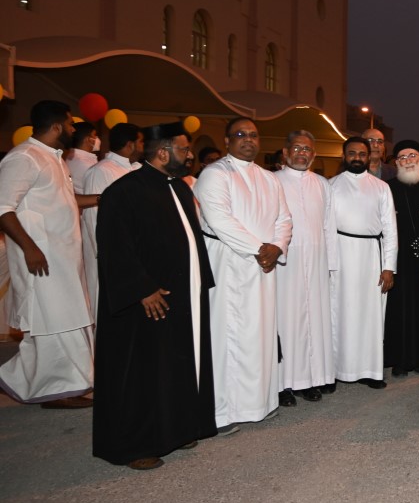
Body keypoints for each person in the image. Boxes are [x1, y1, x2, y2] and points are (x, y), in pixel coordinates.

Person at [93, 122, 217, 470]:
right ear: (163, 153)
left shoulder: (179, 187)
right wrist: (141, 289)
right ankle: (136, 445)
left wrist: (200, 281)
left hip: (181, 295)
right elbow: (114, 247)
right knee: (142, 372)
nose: (189, 155)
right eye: (184, 149)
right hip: (145, 301)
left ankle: (178, 429)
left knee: (175, 365)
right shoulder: (124, 191)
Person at [195, 117, 292, 432]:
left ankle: (259, 402)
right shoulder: (214, 174)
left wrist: (277, 246)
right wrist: (260, 249)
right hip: (228, 261)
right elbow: (219, 220)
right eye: (240, 134)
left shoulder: (269, 177)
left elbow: (284, 218)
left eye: (253, 135)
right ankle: (222, 411)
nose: (248, 139)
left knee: (259, 333)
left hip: (263, 266)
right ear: (227, 141)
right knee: (227, 335)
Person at [0, 100, 95, 408]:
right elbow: (2, 207)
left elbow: (67, 200)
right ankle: (60, 391)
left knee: (66, 320)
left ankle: (59, 385)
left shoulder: (54, 158)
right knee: (52, 322)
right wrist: (30, 248)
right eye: (70, 124)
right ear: (56, 126)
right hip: (40, 258)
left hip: (62, 258)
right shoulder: (24, 157)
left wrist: (104, 197)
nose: (73, 129)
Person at [274, 130, 337, 405]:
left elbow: (329, 225)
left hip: (317, 261)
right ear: (286, 152)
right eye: (297, 148)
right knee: (286, 322)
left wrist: (331, 265)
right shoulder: (273, 181)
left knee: (315, 322)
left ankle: (312, 379)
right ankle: (284, 384)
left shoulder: (322, 183)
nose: (302, 153)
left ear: (314, 154)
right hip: (285, 264)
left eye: (307, 149)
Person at [330, 136, 397, 389]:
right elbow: (325, 228)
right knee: (339, 313)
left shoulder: (381, 187)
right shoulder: (331, 185)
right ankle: (335, 370)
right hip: (340, 255)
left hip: (371, 256)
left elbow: (390, 229)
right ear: (344, 156)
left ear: (369, 157)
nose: (357, 158)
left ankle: (370, 371)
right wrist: (328, 263)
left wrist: (389, 267)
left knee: (370, 316)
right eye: (352, 153)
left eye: (361, 154)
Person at [385, 139, 419, 377]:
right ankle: (399, 360)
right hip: (399, 259)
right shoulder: (387, 188)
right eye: (403, 157)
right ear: (396, 162)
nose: (408, 161)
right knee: (398, 310)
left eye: (412, 156)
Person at [81, 122, 143, 318]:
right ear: (130, 144)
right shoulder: (101, 171)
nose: (144, 146)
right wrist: (106, 254)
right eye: (141, 142)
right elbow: (93, 216)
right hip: (109, 254)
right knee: (106, 308)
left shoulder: (136, 169)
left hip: (131, 252)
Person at [65, 120, 100, 193]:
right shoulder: (85, 164)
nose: (97, 138)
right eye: (94, 135)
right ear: (88, 139)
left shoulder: (71, 157)